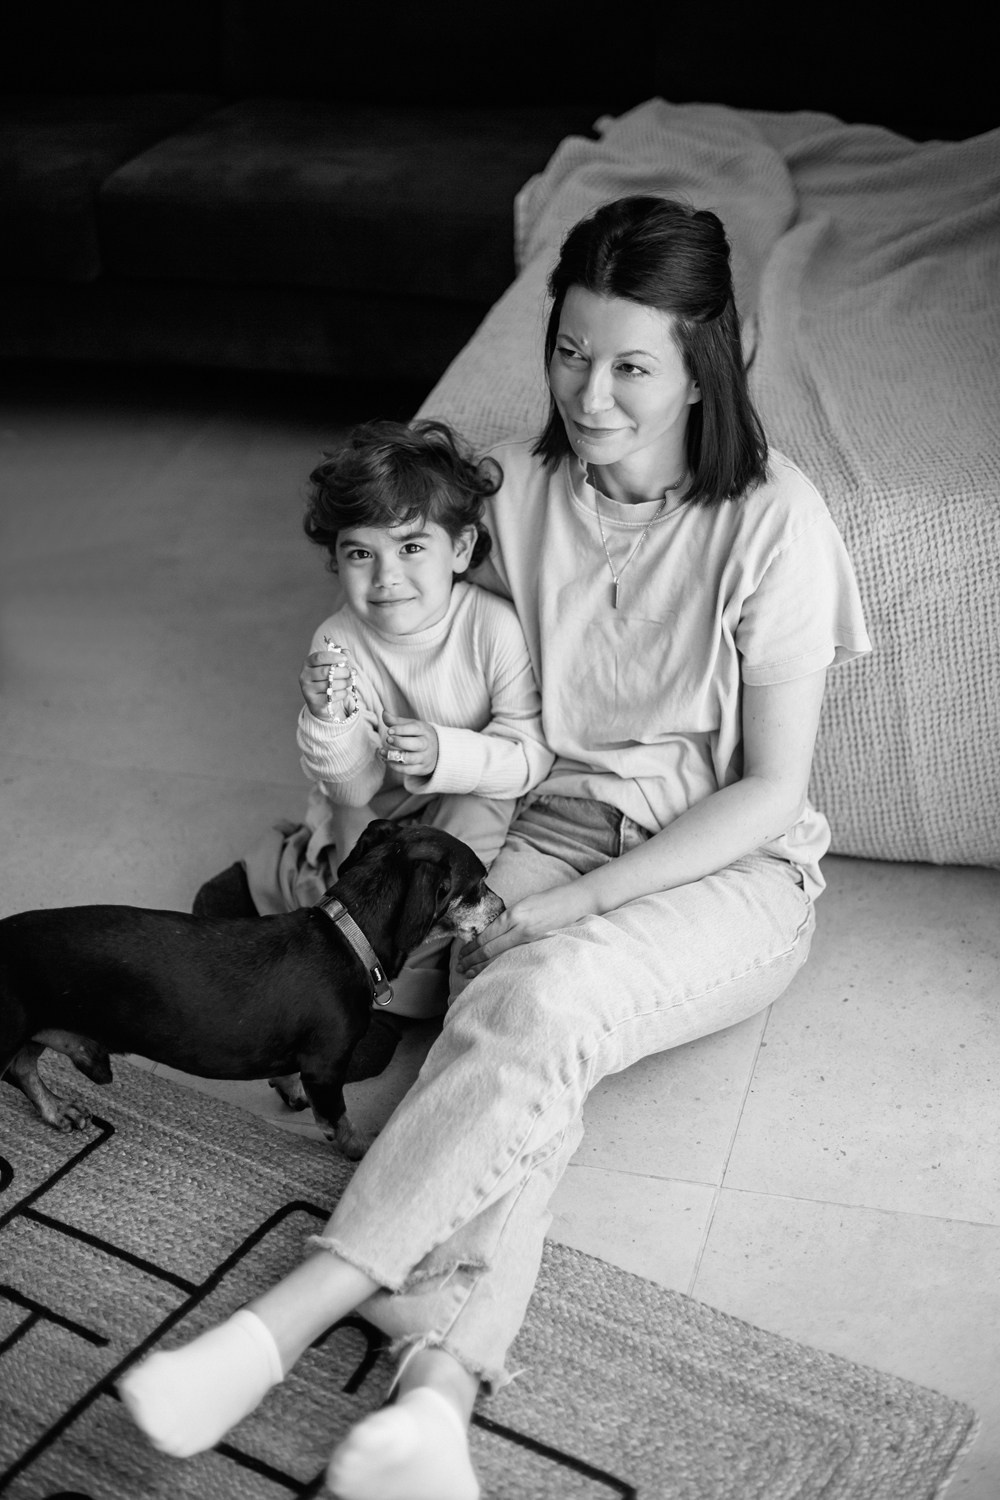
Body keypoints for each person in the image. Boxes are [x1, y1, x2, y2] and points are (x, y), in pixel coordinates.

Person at [120, 195, 871, 1500]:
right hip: (533, 822)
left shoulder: (776, 521)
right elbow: (456, 685)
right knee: (490, 1046)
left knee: (539, 991)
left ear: (705, 365)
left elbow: (768, 791)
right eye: (571, 351)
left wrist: (573, 907)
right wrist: (357, 796)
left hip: (726, 868)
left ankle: (278, 1324)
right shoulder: (514, 493)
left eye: (632, 364)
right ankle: (435, 1401)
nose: (591, 392)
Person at [196, 416, 554, 1074]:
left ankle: (387, 1001)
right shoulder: (338, 640)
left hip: (464, 804)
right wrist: (326, 718)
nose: (387, 576)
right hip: (378, 806)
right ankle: (282, 895)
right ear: (338, 559)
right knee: (347, 855)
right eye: (362, 553)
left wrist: (449, 755)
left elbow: (531, 752)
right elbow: (350, 787)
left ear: (462, 546)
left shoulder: (492, 630)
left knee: (451, 861)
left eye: (413, 547)